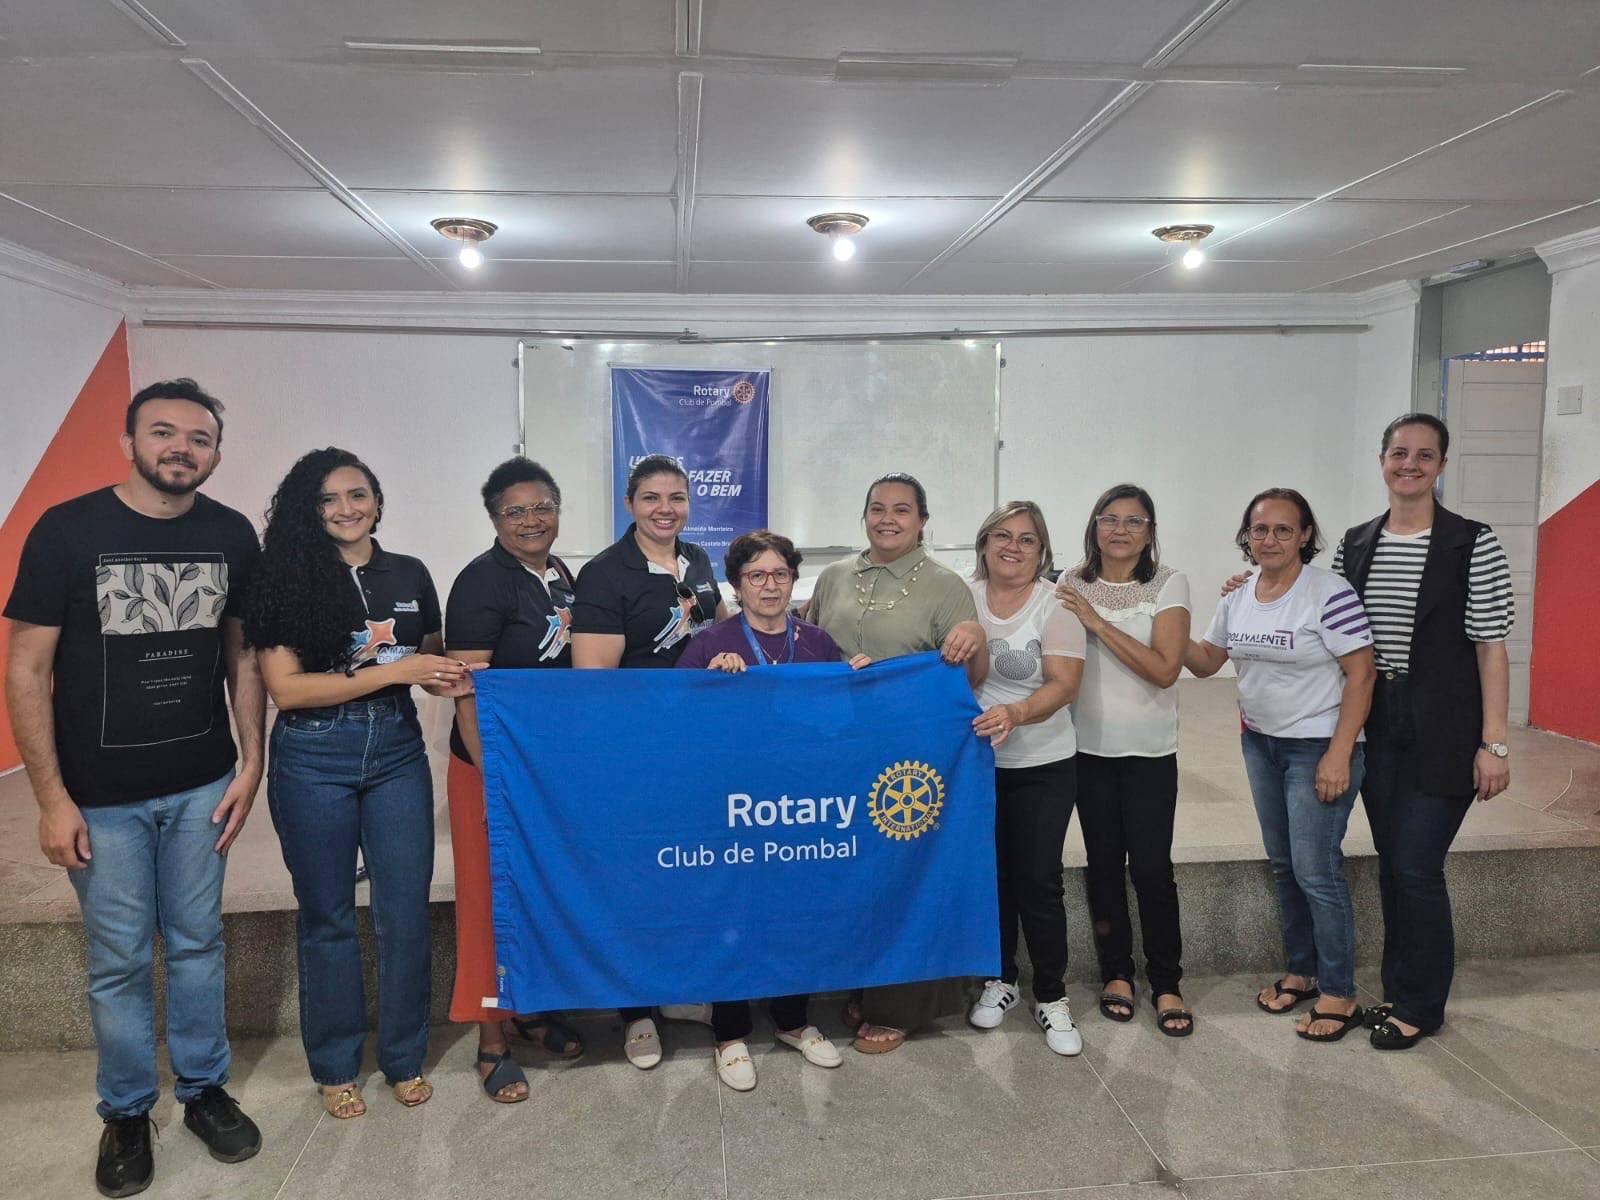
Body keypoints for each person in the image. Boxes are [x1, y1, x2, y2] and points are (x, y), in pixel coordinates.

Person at [4, 378, 265, 1197]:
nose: (181, 448)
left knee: (196, 945)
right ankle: (124, 1110)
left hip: (202, 787)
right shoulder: (66, 530)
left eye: (198, 438)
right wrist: (51, 799)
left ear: (215, 453)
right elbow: (26, 667)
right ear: (129, 442)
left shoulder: (230, 536)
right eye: (163, 433)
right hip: (99, 798)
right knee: (117, 961)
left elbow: (243, 658)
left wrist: (251, 761)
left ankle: (202, 1090)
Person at [245, 448, 471, 1119]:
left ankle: (403, 1058)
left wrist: (444, 672)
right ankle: (337, 1065)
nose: (347, 509)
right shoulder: (283, 578)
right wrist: (396, 674)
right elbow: (286, 689)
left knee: (405, 914)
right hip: (314, 757)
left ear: (377, 499)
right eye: (330, 499)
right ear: (308, 510)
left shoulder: (408, 572)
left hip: (398, 751)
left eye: (359, 494)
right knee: (329, 919)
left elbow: (426, 654)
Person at [1335, 414, 1514, 1049]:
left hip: (1445, 723)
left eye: (1425, 455)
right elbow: (1323, 620)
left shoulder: (1473, 541)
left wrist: (1493, 743)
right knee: (1393, 866)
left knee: (1415, 865)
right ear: (1381, 459)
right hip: (1377, 720)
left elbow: (1492, 646)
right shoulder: (1356, 543)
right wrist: (1254, 588)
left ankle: (1421, 1005)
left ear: (1441, 465)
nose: (1410, 464)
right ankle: (1398, 989)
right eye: (1399, 452)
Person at [675, 529, 868, 1090]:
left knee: (796, 906)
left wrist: (860, 682)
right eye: (755, 575)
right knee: (731, 909)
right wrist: (709, 686)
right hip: (731, 805)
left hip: (796, 803)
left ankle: (792, 1019)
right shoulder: (712, 643)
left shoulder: (816, 641)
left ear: (792, 579)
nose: (769, 585)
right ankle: (730, 1032)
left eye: (779, 574)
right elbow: (671, 719)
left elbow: (841, 721)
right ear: (736, 585)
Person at [1183, 488, 1375, 1043]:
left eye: (1282, 530)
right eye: (1259, 530)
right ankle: (1303, 970)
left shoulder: (1328, 593)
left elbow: (1362, 676)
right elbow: (1205, 662)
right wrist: (1155, 623)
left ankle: (1338, 991)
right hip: (1261, 745)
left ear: (1306, 535)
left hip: (1317, 747)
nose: (1269, 539)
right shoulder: (1240, 594)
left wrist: (1340, 752)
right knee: (1285, 864)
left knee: (1317, 868)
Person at [806, 472, 987, 1053]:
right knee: (852, 868)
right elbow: (807, 648)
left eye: (902, 510)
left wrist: (971, 640)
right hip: (839, 752)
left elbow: (968, 684)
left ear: (923, 521)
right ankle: (863, 979)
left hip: (909, 760)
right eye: (877, 508)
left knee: (905, 874)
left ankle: (903, 1003)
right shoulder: (834, 577)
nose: (888, 518)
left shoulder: (946, 587)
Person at [570, 453, 728, 1068]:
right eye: (652, 498)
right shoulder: (607, 573)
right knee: (635, 878)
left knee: (688, 870)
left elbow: (720, 633)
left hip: (702, 749)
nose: (666, 509)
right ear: (630, 504)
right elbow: (594, 682)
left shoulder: (701, 560)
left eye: (677, 498)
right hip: (639, 753)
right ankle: (636, 1011)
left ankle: (682, 986)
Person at [444, 457, 586, 1103]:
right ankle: (491, 1041)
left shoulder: (559, 574)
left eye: (542, 507)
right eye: (516, 511)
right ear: (495, 519)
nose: (532, 520)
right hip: (490, 771)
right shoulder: (479, 583)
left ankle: (527, 1012)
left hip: (546, 770)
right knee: (486, 899)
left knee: (533, 894)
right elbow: (468, 691)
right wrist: (495, 783)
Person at [1055, 485, 1193, 1036]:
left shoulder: (1168, 583)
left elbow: (1165, 669)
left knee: (1154, 869)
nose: (1119, 529)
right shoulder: (1070, 582)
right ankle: (1117, 972)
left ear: (1150, 531)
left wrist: (1097, 623)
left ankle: (1167, 982)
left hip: (1149, 754)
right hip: (1086, 750)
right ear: (1093, 527)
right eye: (1109, 519)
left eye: (1133, 521)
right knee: (1103, 865)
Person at [963, 502, 1087, 1056]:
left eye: (1028, 540)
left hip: (1043, 764)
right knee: (991, 878)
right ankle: (1002, 979)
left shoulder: (1054, 604)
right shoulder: (959, 597)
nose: (1013, 547)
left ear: (1043, 552)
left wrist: (1016, 714)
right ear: (985, 542)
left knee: (1037, 881)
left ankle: (1052, 994)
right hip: (974, 766)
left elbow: (1063, 684)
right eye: (1003, 536)